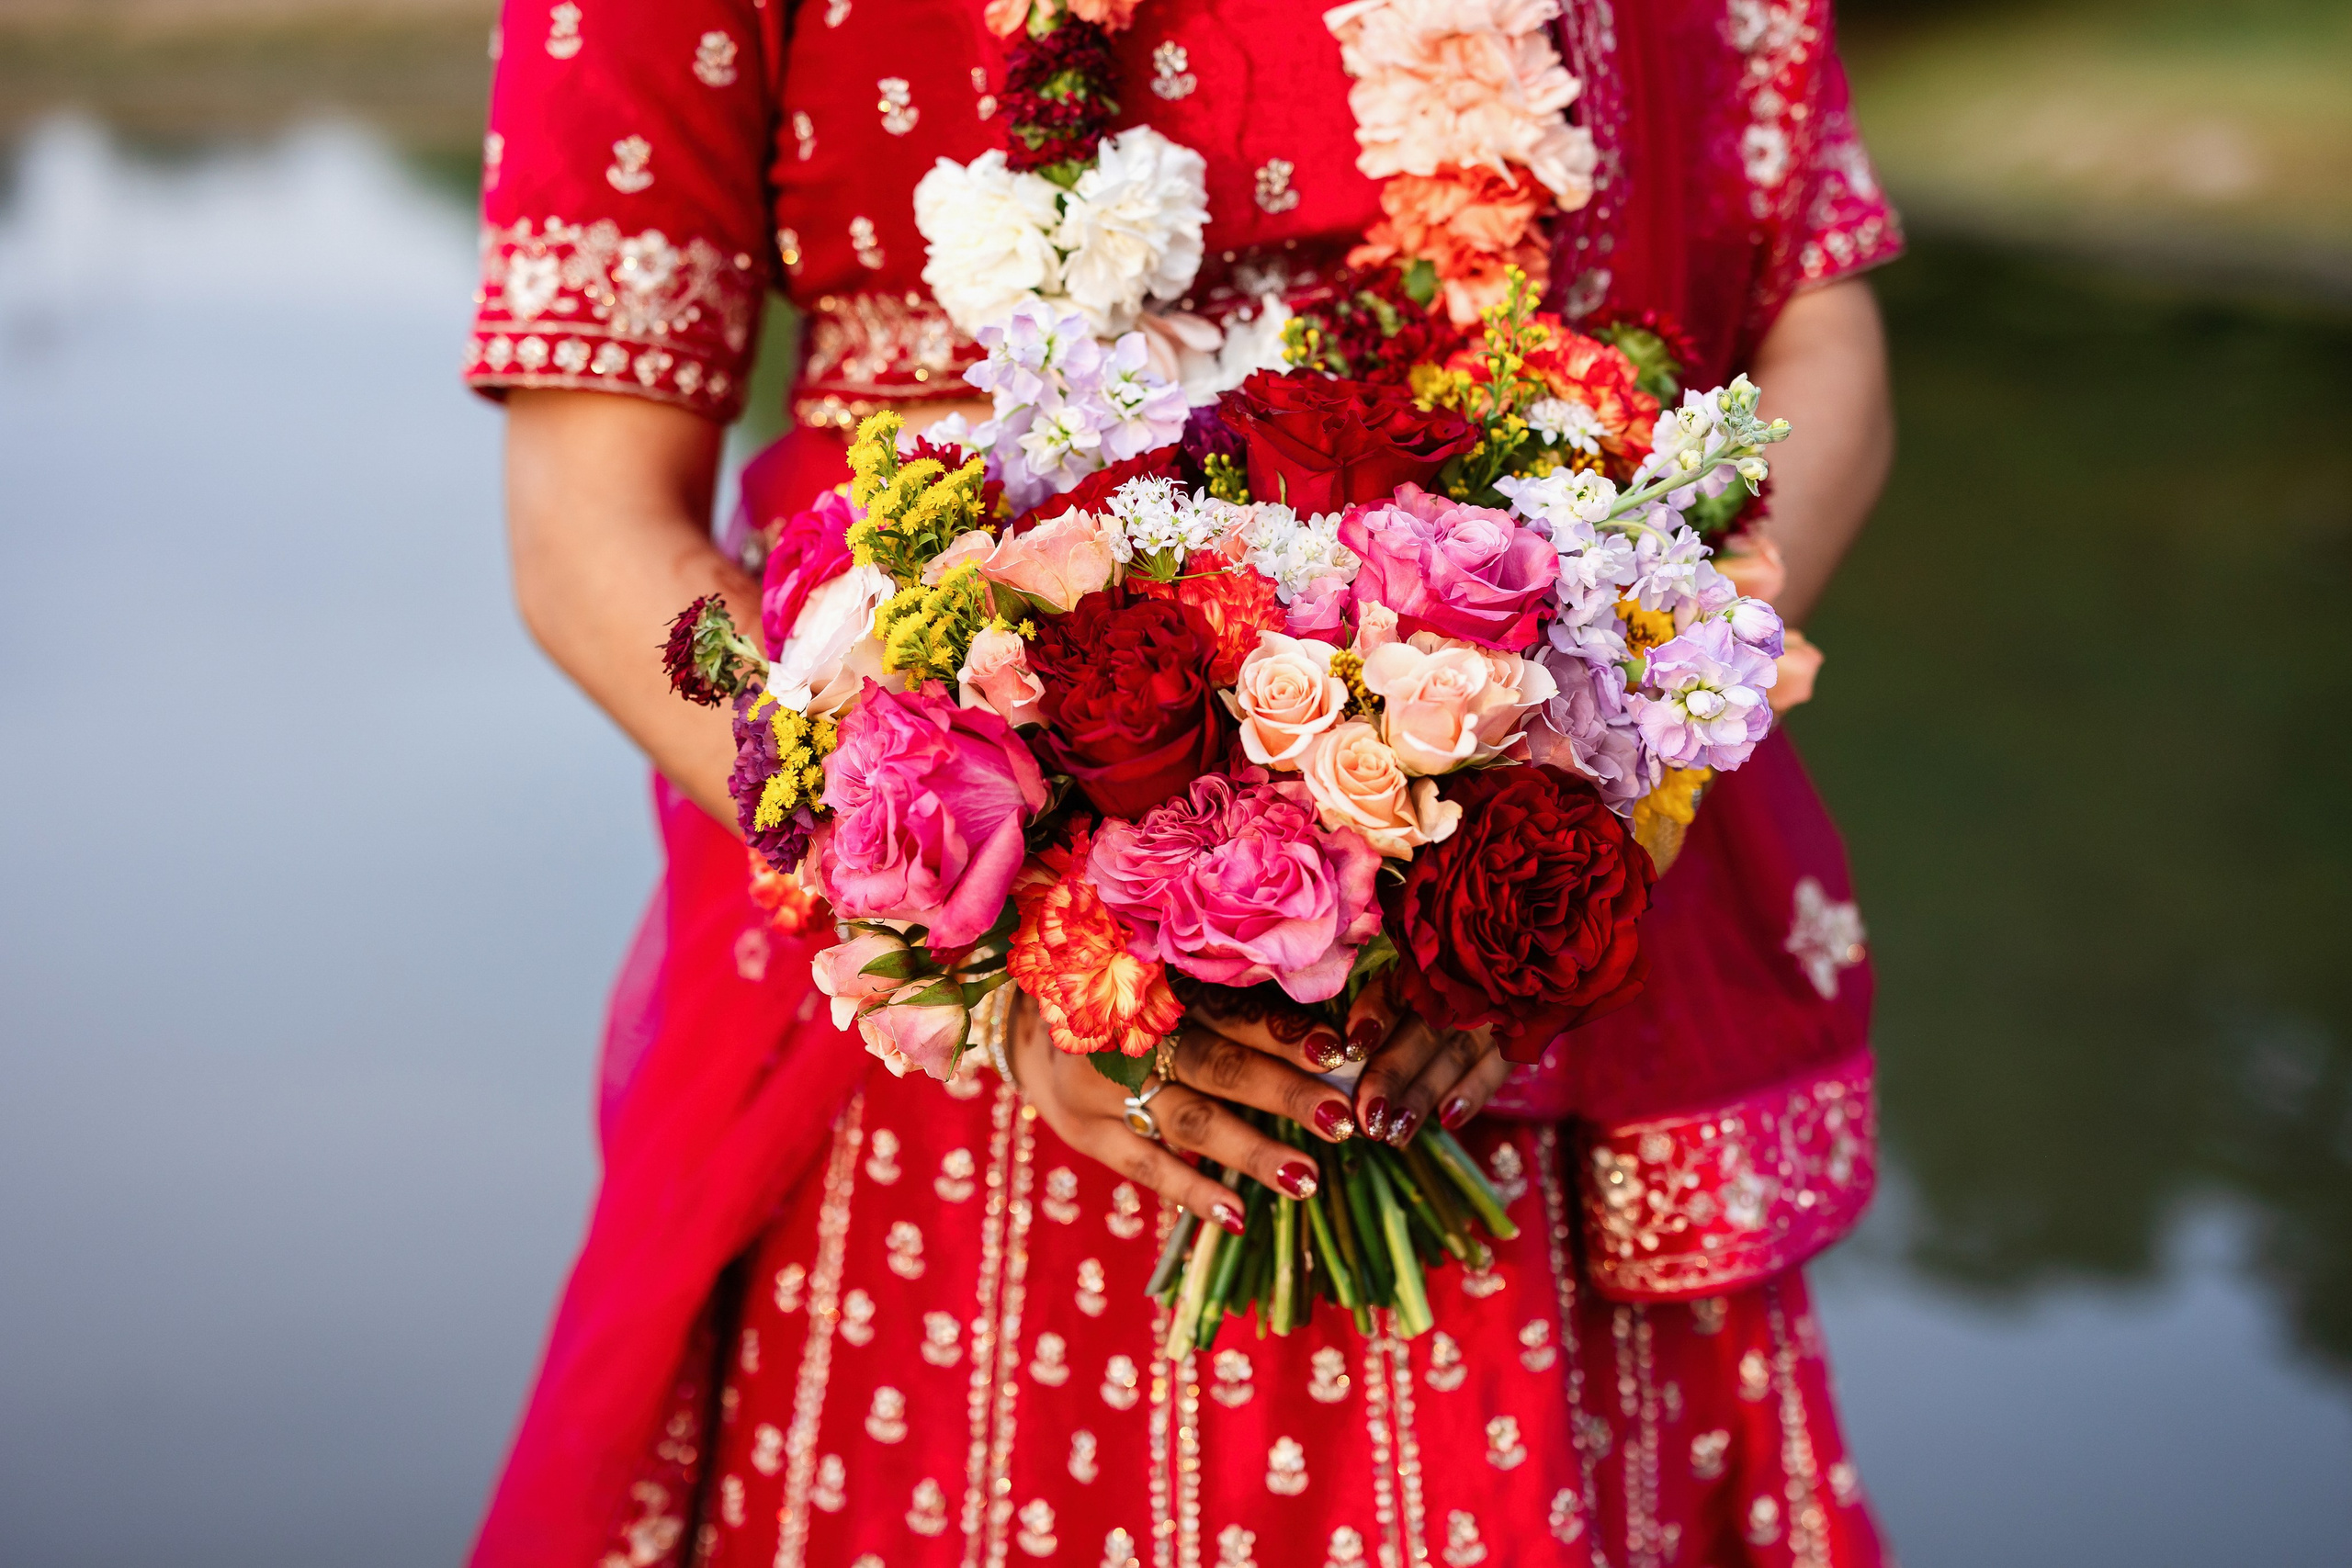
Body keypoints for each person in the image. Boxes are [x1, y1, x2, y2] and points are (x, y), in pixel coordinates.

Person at [464, 1, 1903, 1563]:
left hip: (1524, 971)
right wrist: (996, 949)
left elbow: (1815, 329)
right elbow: (587, 523)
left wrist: (1605, 759)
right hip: (956, 1040)